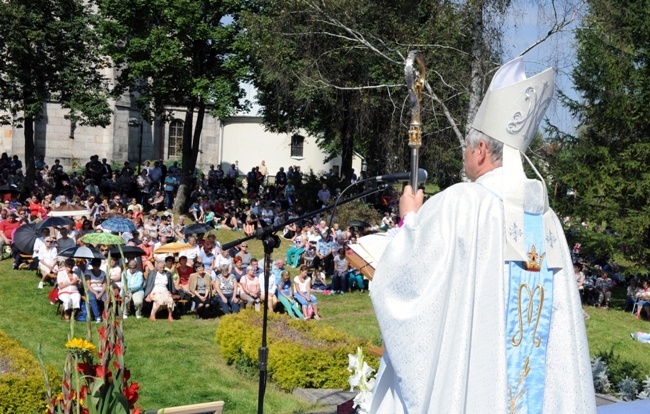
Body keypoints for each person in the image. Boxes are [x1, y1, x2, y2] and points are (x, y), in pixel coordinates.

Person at [369, 57, 596, 413]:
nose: (465, 155)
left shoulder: (462, 203)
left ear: (480, 150)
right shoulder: (547, 218)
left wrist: (409, 220)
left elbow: (410, 289)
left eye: (466, 148)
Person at [84, 258, 107, 323]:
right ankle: (97, 317)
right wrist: (96, 293)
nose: (97, 266)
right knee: (92, 298)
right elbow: (88, 285)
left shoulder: (103, 273)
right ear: (92, 265)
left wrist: (101, 293)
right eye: (95, 265)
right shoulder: (88, 272)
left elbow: (105, 284)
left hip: (101, 290)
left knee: (105, 298)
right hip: (92, 290)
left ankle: (105, 315)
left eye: (98, 265)